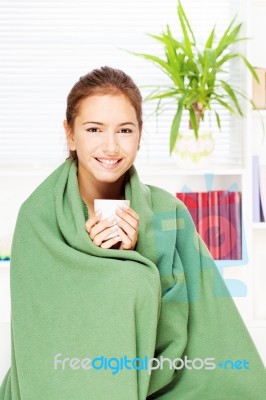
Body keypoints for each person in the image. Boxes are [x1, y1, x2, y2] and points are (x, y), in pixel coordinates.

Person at [0, 66, 265, 400]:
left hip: (158, 377)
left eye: (124, 130)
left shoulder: (169, 212)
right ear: (70, 134)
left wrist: (139, 256)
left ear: (139, 136)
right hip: (62, 374)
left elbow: (192, 323)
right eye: (94, 129)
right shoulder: (38, 216)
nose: (110, 146)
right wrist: (110, 269)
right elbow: (41, 329)